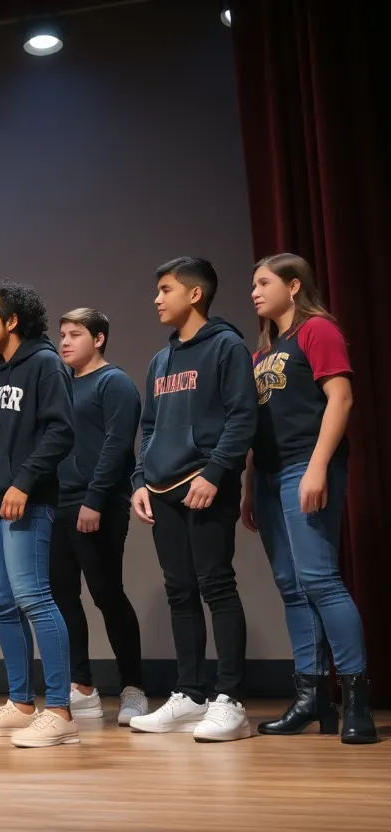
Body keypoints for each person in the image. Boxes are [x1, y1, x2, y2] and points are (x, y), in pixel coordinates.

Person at [243, 253, 375, 743]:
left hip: (306, 464)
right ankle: (311, 696)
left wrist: (318, 465)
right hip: (270, 474)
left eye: (263, 282)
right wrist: (250, 483)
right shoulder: (264, 352)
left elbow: (340, 398)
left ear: (294, 285)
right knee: (291, 586)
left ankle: (356, 697)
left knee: (319, 579)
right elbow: (260, 422)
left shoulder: (317, 331)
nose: (254, 292)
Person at [128, 257, 257, 742]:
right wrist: (140, 480)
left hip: (206, 487)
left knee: (216, 586)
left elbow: (243, 417)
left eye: (165, 289)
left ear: (195, 294)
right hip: (161, 491)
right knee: (179, 592)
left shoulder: (227, 347)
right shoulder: (161, 360)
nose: (158, 299)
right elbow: (149, 427)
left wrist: (216, 472)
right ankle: (189, 694)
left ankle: (231, 700)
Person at [0, 281, 79, 749]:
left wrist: (24, 482)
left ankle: (61, 711)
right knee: (2, 601)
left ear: (11, 322)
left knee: (34, 597)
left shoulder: (45, 364)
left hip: (26, 501)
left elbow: (60, 432)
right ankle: (21, 703)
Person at [51, 308, 148, 725]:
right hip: (57, 504)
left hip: (98, 504)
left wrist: (94, 500)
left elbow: (117, 446)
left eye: (75, 334)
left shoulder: (115, 383)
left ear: (99, 338)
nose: (66, 342)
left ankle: (133, 689)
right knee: (62, 597)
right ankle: (82, 685)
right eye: (62, 335)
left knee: (107, 594)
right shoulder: (61, 386)